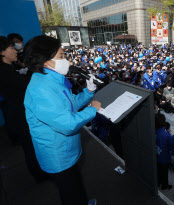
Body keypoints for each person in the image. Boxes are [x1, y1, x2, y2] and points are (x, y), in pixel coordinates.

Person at [23, 36, 100, 205]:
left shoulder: (52, 79)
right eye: (61, 56)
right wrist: (92, 109)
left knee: (75, 184)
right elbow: (68, 123)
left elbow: (69, 106)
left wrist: (88, 92)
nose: (66, 60)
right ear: (45, 61)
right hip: (57, 153)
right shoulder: (41, 89)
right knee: (70, 192)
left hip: (66, 147)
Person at [0, 36, 48, 182]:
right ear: (1, 52)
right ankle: (39, 175)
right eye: (10, 48)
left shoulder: (9, 67)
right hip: (20, 115)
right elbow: (24, 87)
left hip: (20, 111)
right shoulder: (3, 71)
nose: (15, 50)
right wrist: (32, 69)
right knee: (30, 147)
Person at [155, 113, 172, 190]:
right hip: (164, 158)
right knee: (165, 172)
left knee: (158, 170)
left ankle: (158, 182)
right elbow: (171, 147)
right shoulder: (167, 135)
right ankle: (164, 185)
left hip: (156, 155)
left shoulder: (154, 130)